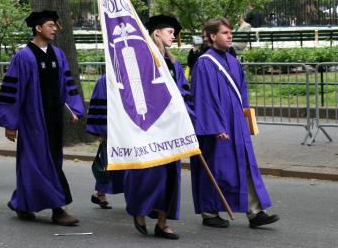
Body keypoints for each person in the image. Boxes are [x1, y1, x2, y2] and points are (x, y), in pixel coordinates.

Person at [0, 10, 85, 226]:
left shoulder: (58, 55)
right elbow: (12, 91)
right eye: (51, 25)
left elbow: (68, 83)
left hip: (53, 119)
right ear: (38, 28)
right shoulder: (24, 56)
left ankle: (22, 204)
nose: (55, 29)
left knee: (42, 162)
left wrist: (74, 108)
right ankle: (58, 209)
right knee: (39, 163)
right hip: (32, 119)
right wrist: (10, 123)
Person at [190, 17, 279, 229]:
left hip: (235, 123)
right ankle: (209, 211)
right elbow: (204, 98)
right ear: (213, 36)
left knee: (246, 165)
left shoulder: (232, 60)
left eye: (230, 32)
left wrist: (244, 117)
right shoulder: (205, 63)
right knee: (216, 167)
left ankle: (255, 212)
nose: (230, 36)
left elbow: (242, 91)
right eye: (224, 33)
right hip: (217, 127)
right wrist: (216, 126)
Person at [121, 15, 192, 241]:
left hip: (171, 129)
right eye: (170, 32)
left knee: (170, 176)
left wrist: (186, 117)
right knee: (148, 174)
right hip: (149, 127)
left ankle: (163, 223)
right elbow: (135, 93)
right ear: (157, 33)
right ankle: (139, 210)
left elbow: (183, 92)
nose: (173, 36)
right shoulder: (142, 59)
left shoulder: (173, 63)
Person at [86, 74, 124, 209]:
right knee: (108, 163)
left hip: (127, 128)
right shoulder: (104, 81)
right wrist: (102, 131)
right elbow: (99, 104)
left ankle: (99, 192)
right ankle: (100, 192)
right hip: (111, 129)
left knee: (125, 163)